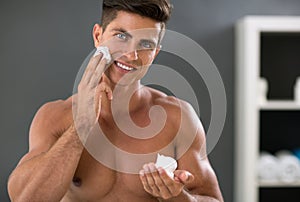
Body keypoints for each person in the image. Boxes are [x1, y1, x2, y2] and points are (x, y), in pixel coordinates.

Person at [7, 0, 224, 201]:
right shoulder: (56, 117)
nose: (131, 55)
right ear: (98, 36)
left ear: (155, 53)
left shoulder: (177, 118)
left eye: (145, 43)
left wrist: (178, 197)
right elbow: (25, 198)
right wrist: (80, 128)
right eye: (121, 36)